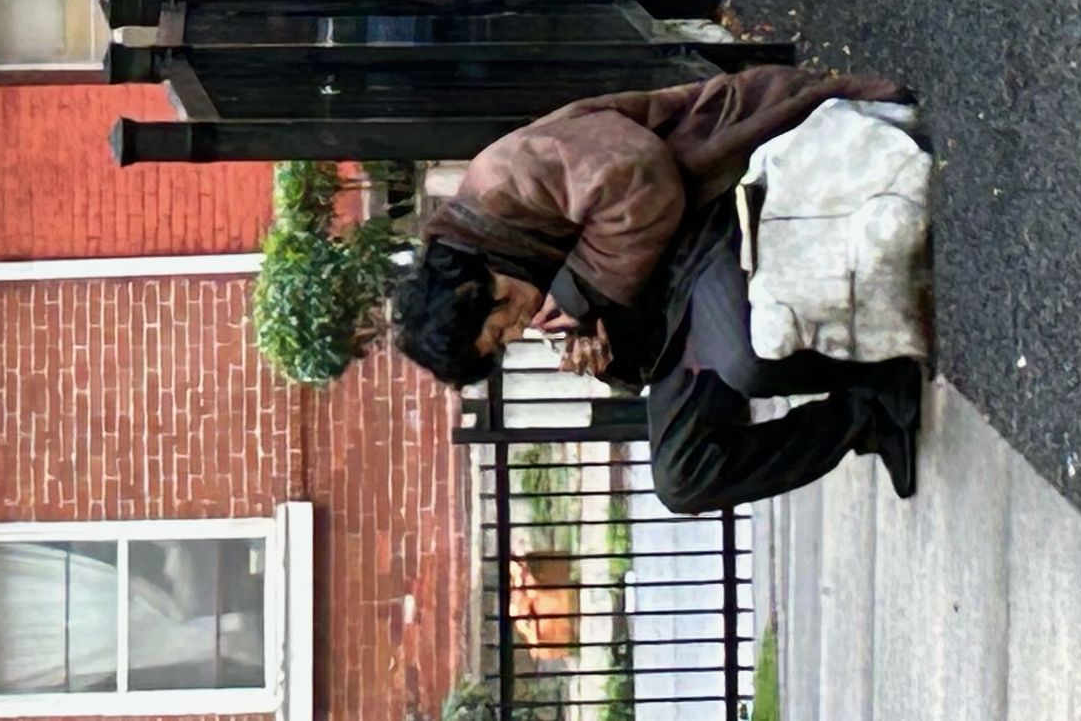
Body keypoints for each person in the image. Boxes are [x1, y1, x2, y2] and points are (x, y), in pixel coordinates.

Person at [390, 65, 928, 510]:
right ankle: (872, 414)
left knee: (748, 360)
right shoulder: (507, 264)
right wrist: (606, 353)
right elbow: (627, 310)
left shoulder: (505, 178)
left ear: (468, 291)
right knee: (684, 477)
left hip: (715, 200)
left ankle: (881, 364)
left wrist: (585, 287)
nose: (519, 327)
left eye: (501, 326)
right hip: (680, 292)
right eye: (506, 338)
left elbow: (643, 177)